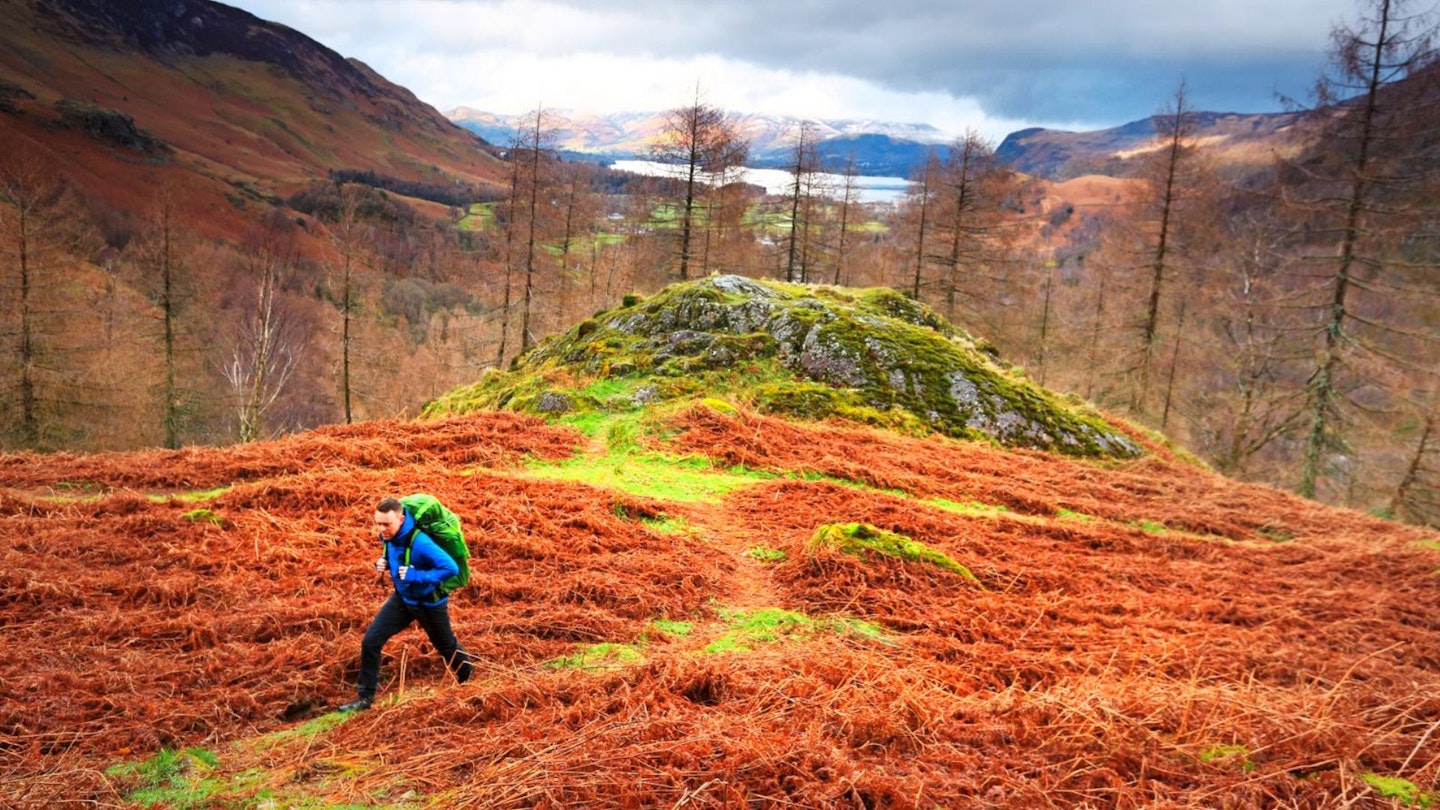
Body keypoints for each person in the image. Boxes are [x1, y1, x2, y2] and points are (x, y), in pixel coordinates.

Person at [339, 497, 473, 711]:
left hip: (429, 604)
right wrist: (381, 563)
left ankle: (469, 681)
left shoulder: (421, 543)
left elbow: (450, 568)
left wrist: (417, 575)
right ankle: (365, 699)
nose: (381, 529)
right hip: (402, 599)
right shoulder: (388, 537)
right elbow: (396, 558)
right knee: (371, 641)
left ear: (401, 519)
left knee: (446, 646)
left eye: (386, 524)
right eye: (378, 523)